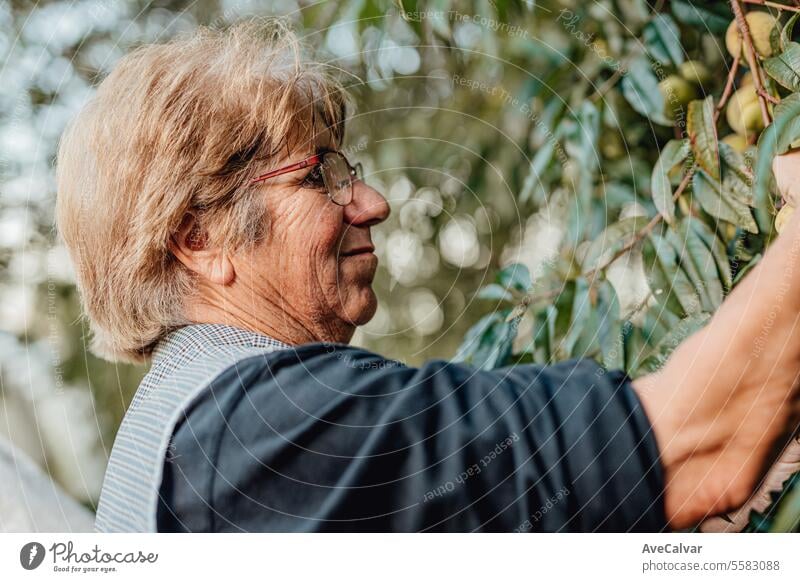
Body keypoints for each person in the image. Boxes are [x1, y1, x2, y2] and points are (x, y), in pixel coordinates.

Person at [55, 20, 800, 532]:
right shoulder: (269, 426)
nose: (371, 203)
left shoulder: (185, 432)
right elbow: (701, 443)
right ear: (200, 237)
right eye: (321, 178)